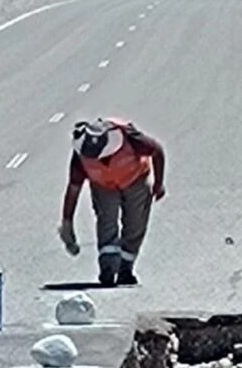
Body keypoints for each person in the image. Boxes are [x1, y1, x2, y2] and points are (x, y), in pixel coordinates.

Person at [58, 118, 167, 286]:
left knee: (135, 224)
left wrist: (158, 184)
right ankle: (107, 269)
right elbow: (73, 189)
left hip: (135, 180)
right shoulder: (81, 155)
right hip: (103, 186)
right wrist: (67, 222)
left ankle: (125, 269)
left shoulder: (130, 138)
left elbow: (157, 151)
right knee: (106, 222)